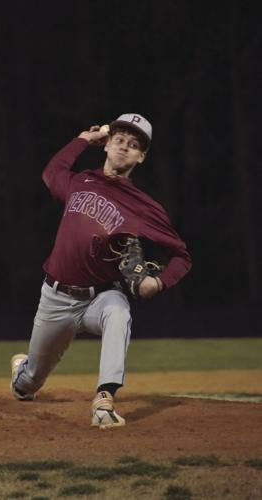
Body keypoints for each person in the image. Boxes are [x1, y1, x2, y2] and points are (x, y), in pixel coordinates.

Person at [11, 113, 192, 429]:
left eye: (133, 145)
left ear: (141, 156)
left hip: (100, 297)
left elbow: (181, 255)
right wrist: (83, 139)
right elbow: (51, 173)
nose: (124, 147)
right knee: (27, 386)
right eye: (119, 139)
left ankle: (104, 400)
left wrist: (159, 283)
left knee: (119, 310)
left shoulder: (143, 206)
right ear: (107, 144)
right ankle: (23, 372)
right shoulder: (80, 181)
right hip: (55, 297)